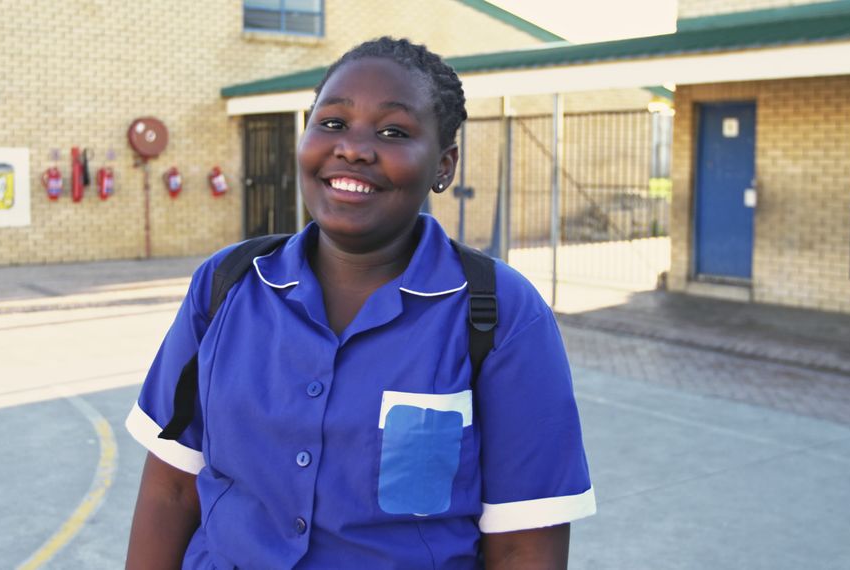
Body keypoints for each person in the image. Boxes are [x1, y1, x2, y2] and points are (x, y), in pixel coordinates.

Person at [125, 37, 595, 569]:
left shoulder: (502, 316)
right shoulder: (227, 285)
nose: (353, 148)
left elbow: (523, 543)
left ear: (444, 166)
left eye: (393, 131)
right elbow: (172, 487)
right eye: (332, 123)